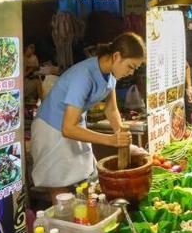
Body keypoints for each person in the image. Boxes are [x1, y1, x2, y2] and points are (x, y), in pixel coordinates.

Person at [31, 32, 145, 202]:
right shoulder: (83, 76)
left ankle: (82, 222)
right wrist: (111, 140)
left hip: (73, 126)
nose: (131, 72)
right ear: (117, 56)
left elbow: (111, 110)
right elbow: (68, 128)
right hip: (51, 129)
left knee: (85, 179)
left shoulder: (110, 75)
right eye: (131, 66)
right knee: (60, 185)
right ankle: (65, 225)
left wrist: (124, 142)